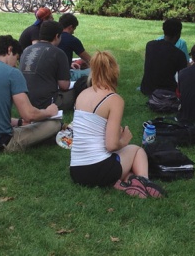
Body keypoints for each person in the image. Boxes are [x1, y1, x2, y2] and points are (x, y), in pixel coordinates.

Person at [70, 51, 165, 198]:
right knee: (136, 150)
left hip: (77, 171)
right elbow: (111, 146)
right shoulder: (114, 99)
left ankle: (127, 181)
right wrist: (124, 139)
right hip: (99, 169)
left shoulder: (82, 95)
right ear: (115, 72)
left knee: (121, 158)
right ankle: (144, 181)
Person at [0, 35, 60, 152]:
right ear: (9, 50)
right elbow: (29, 114)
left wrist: (19, 122)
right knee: (54, 124)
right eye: (16, 58)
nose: (16, 64)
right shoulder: (12, 73)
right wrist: (49, 112)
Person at [20, 20, 74, 110]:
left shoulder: (27, 50)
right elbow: (64, 85)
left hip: (24, 101)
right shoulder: (58, 53)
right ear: (57, 36)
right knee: (77, 90)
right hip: (47, 103)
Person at [140, 18, 187, 96]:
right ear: (178, 34)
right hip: (166, 91)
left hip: (146, 88)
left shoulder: (150, 45)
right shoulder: (179, 54)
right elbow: (183, 79)